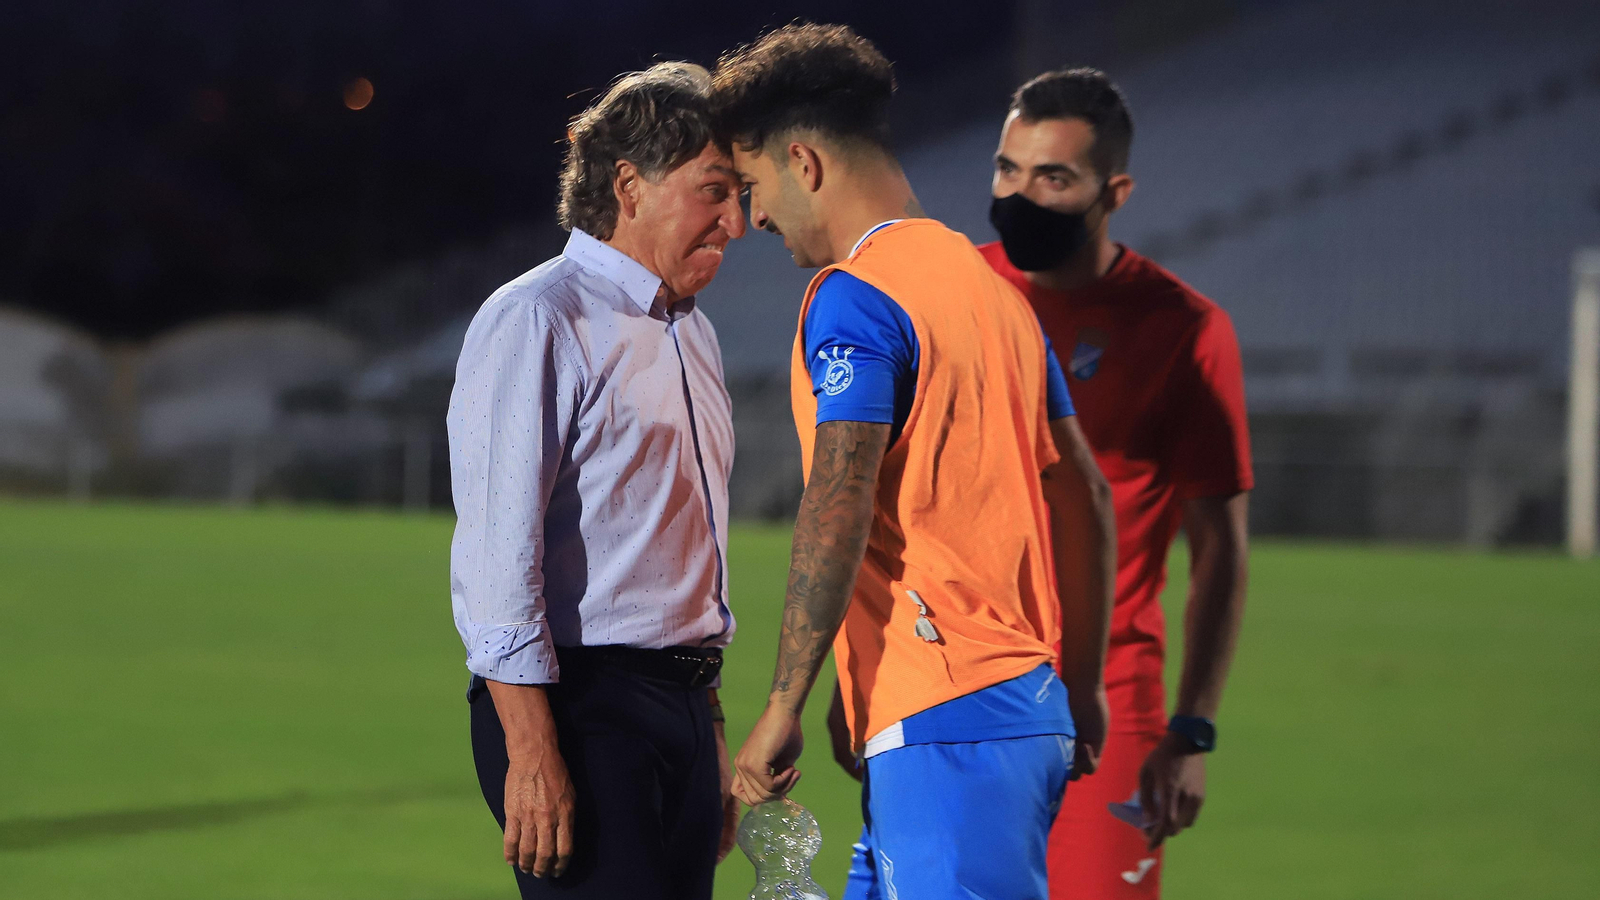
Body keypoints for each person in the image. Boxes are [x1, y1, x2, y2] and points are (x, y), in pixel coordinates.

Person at [713, 25, 1116, 900]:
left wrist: (782, 702)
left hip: (949, 723)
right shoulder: (998, 296)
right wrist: (1079, 684)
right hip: (1009, 710)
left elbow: (840, 495)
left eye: (753, 188)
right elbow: (1082, 491)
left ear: (804, 162)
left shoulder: (857, 297)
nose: (755, 219)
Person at [445, 61, 746, 899]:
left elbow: (686, 559)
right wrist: (533, 751)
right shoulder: (538, 317)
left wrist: (708, 727)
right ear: (630, 184)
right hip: (582, 709)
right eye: (715, 191)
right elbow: (497, 561)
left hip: (682, 704)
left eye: (742, 194)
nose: (739, 220)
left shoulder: (695, 333)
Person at [980, 67, 1254, 898]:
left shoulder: (1184, 329)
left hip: (1107, 704)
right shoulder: (960, 292)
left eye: (1053, 177)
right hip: (959, 689)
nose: (1021, 194)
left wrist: (1193, 729)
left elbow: (1221, 550)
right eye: (1007, 170)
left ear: (1115, 191)